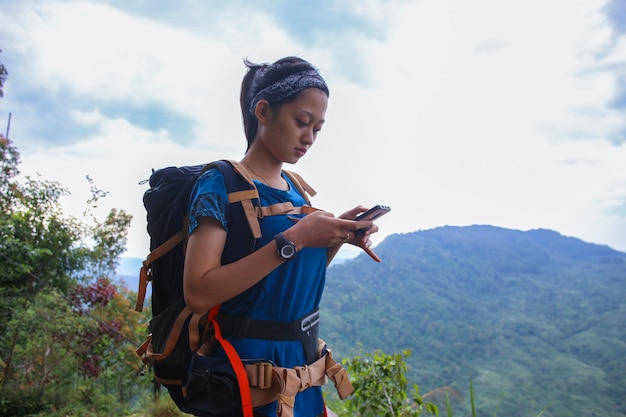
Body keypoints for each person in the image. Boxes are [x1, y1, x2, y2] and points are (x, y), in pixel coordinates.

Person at [183, 56, 379, 417]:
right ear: (263, 111)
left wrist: (335, 238)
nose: (309, 138)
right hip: (248, 379)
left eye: (318, 128)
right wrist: (297, 238)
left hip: (302, 373)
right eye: (302, 122)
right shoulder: (219, 184)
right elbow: (198, 292)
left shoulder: (295, 191)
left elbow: (285, 276)